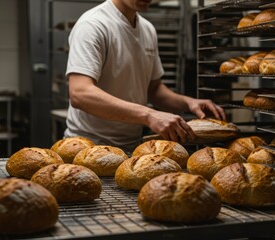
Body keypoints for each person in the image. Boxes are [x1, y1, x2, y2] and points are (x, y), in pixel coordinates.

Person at [64, 0, 226, 152]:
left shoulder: (148, 29)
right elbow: (80, 94)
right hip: (89, 147)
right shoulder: (93, 25)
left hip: (132, 147)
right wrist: (149, 115)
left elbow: (154, 90)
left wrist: (188, 102)